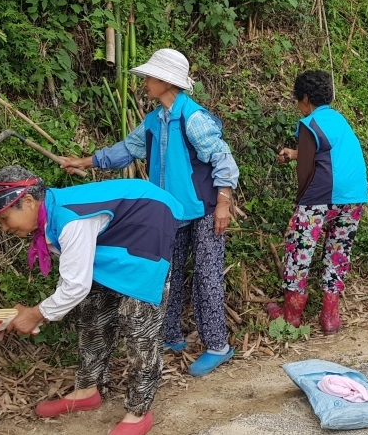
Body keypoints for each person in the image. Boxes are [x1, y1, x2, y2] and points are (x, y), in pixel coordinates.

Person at [0, 166, 183, 435]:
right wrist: (33, 313)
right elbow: (73, 280)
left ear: (29, 202)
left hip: (150, 220)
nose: (4, 228)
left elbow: (75, 286)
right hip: (120, 231)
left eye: (5, 219)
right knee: (92, 313)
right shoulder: (51, 215)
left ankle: (138, 413)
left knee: (138, 322)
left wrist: (35, 314)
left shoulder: (69, 219)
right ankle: (87, 392)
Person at [59, 48, 238, 377]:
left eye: (150, 78)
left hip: (205, 210)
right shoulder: (154, 121)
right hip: (169, 212)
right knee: (165, 275)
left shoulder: (193, 118)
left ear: (167, 82)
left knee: (207, 277)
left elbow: (223, 159)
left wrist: (224, 202)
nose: (145, 84)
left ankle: (218, 345)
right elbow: (126, 150)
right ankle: (170, 336)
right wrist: (83, 161)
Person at [269, 70, 368, 334]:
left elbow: (306, 169)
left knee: (299, 249)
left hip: (322, 196)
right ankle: (330, 317)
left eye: (298, 101)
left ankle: (291, 316)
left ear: (304, 98)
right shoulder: (339, 120)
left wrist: (301, 205)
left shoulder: (308, 123)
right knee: (338, 252)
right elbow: (325, 153)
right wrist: (294, 153)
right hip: (354, 196)